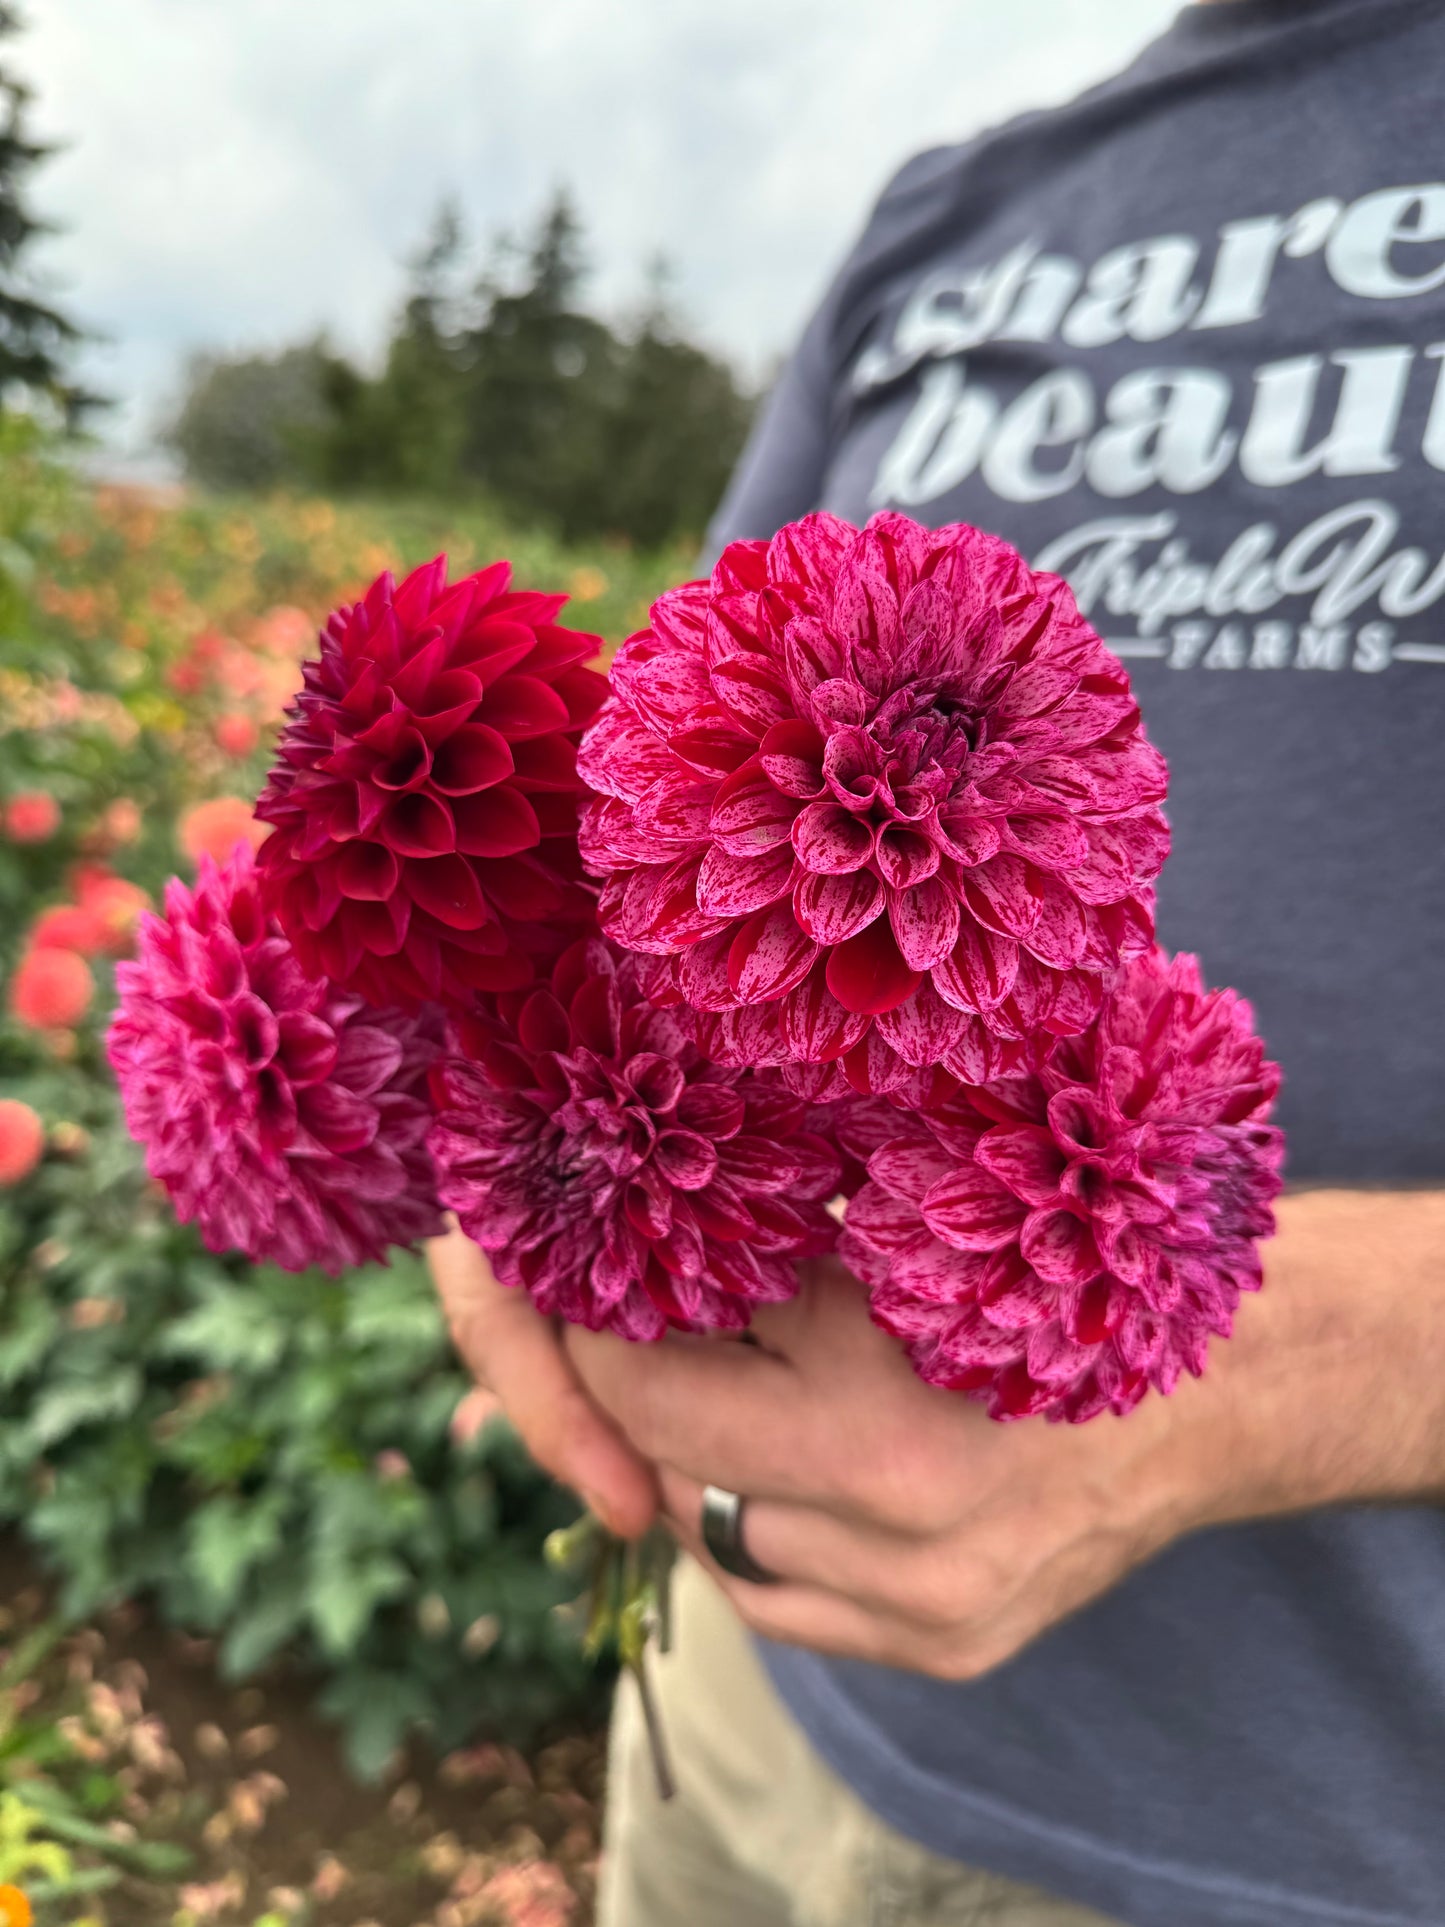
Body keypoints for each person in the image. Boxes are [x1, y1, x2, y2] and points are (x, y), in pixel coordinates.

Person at [428, 0, 1445, 1919]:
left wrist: (1276, 1366)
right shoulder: (945, 218)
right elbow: (632, 777)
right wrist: (500, 1087)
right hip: (755, 1702)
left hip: (1286, 1850)